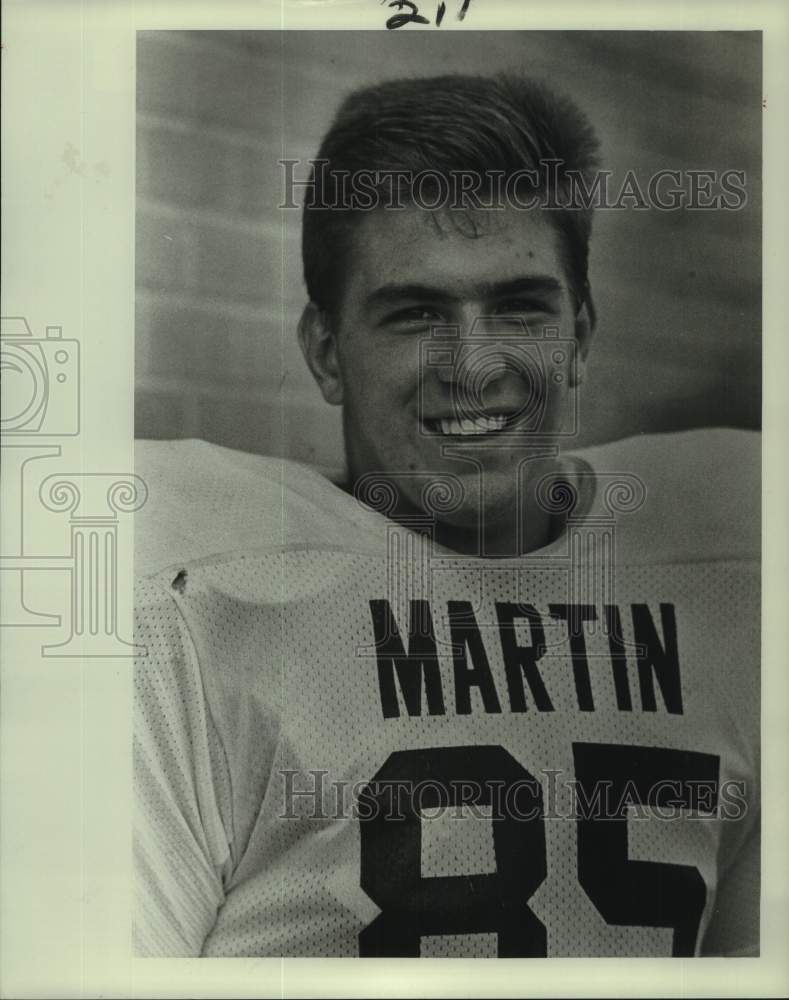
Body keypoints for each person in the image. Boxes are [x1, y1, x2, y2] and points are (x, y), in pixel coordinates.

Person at [133, 73, 760, 957]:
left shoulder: (730, 577)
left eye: (517, 306)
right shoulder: (196, 600)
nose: (472, 366)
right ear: (324, 353)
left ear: (578, 335)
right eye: (414, 312)